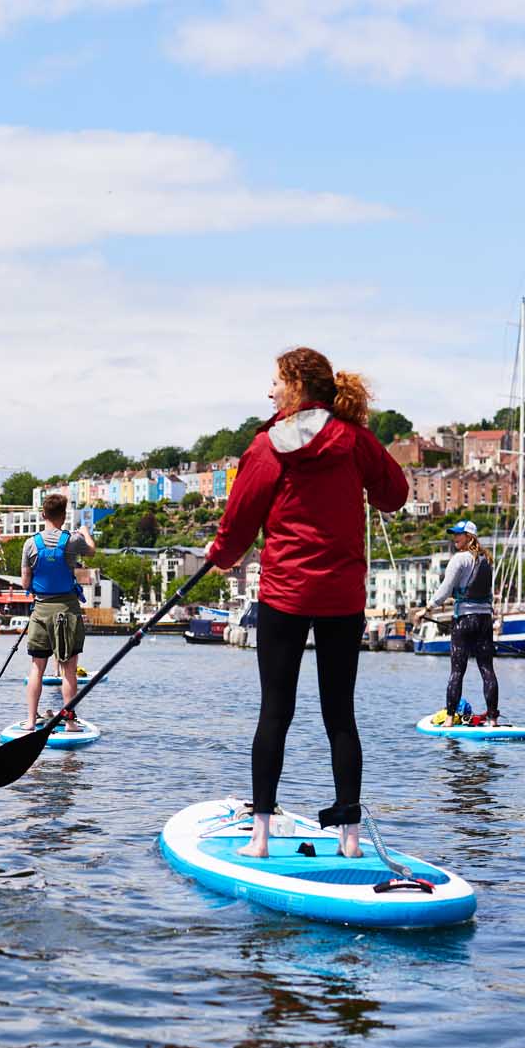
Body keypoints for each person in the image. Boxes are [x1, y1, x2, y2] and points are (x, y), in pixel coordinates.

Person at [205, 347, 407, 859]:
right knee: (340, 715)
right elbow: (395, 495)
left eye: (275, 382)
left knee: (275, 711)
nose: (269, 391)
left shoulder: (265, 448)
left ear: (296, 386)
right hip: (342, 596)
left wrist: (220, 554)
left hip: (285, 595)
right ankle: (351, 840)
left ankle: (260, 837)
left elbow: (238, 525)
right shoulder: (355, 440)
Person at [20, 493, 96, 732]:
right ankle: (71, 723)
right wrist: (84, 532)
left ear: (43, 515)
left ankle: (31, 721)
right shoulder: (72, 540)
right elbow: (91, 551)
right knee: (68, 669)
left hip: (40, 611)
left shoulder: (30, 544)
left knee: (37, 668)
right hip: (67, 611)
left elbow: (25, 583)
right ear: (63, 516)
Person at [422, 519, 500, 726]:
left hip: (464, 621)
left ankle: (449, 719)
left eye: (459, 534)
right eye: (454, 534)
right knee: (487, 669)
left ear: (469, 537)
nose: (455, 537)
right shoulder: (487, 560)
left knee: (457, 671)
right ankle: (493, 720)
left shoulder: (459, 559)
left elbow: (445, 589)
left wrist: (427, 608)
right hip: (484, 621)